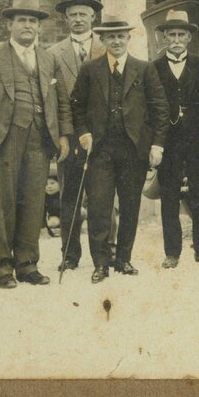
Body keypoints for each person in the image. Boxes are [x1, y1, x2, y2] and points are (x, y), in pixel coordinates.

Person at [0, 0, 70, 288]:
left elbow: (61, 102)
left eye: (33, 21)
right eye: (22, 20)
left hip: (39, 138)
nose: (28, 26)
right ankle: (3, 269)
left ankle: (27, 265)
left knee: (33, 203)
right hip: (3, 139)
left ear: (39, 27)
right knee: (2, 204)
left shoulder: (49, 59)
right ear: (9, 24)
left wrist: (63, 135)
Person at [69, 15, 167, 282]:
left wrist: (157, 144)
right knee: (99, 207)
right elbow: (76, 105)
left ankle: (124, 259)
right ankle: (100, 263)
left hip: (133, 150)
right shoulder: (90, 69)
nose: (116, 41)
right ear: (102, 40)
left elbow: (160, 109)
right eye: (110, 36)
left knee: (130, 206)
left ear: (128, 38)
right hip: (100, 151)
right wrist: (84, 133)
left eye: (121, 36)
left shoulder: (144, 69)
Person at [151, 8, 199, 268]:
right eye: (172, 34)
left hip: (198, 138)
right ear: (164, 37)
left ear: (189, 38)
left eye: (181, 34)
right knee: (169, 195)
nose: (177, 39)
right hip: (168, 140)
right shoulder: (153, 68)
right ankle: (172, 252)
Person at [45, 0, 103, 274]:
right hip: (69, 136)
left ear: (93, 16)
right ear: (66, 19)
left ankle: (107, 251)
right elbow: (52, 100)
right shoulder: (54, 54)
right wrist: (61, 135)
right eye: (73, 15)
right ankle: (69, 254)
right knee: (70, 196)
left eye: (83, 14)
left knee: (103, 195)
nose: (78, 19)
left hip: (102, 137)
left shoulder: (107, 47)